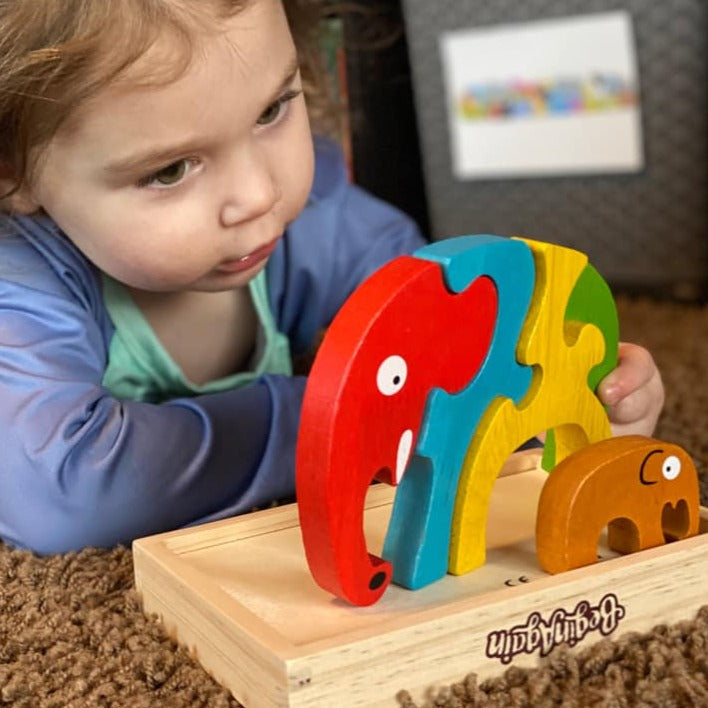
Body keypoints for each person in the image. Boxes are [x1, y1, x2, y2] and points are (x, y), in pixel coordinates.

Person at [0, 0, 664, 555]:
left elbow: (457, 351)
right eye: (171, 169)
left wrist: (568, 411)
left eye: (271, 111)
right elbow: (60, 491)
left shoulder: (321, 220)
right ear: (14, 169)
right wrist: (330, 416)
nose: (260, 194)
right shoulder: (21, 276)